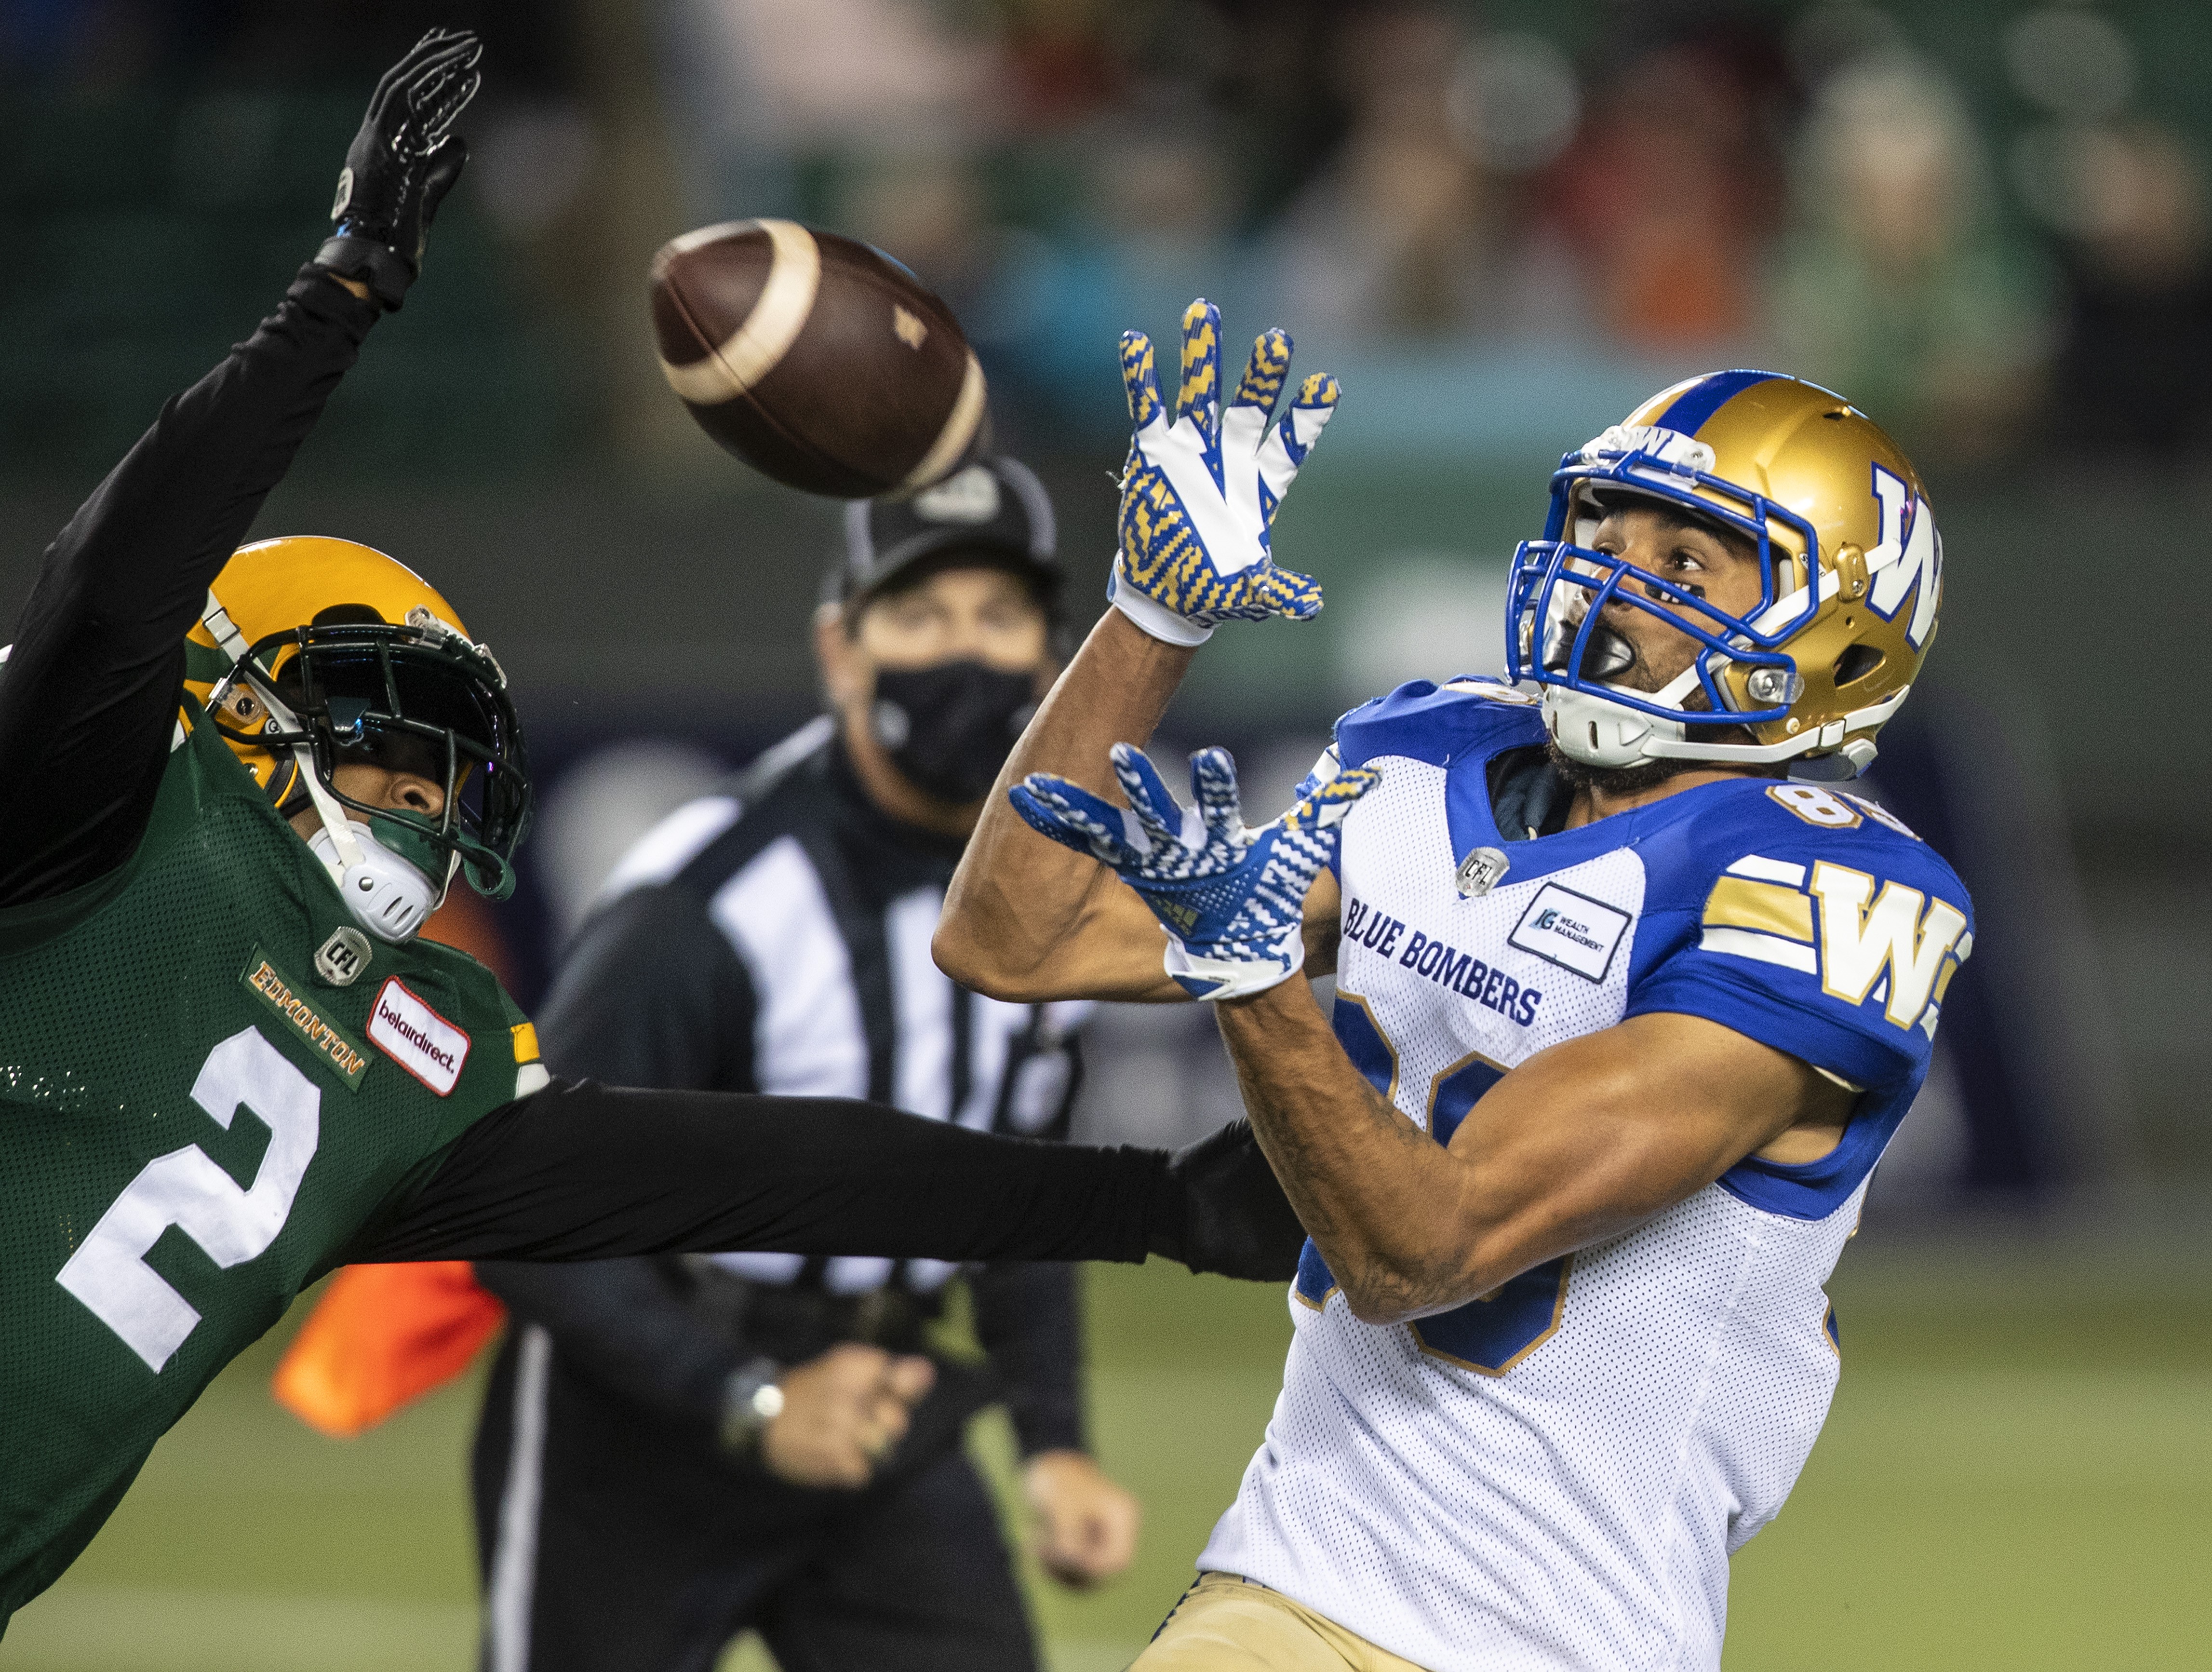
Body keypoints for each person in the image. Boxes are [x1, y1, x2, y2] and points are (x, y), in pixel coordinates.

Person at [0, 45, 1299, 1635]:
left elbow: (768, 1163)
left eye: (442, 771)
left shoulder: (419, 1062)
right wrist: (334, 297)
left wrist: (1147, 1207)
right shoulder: (80, 841)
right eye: (378, 743)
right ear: (226, 705)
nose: (417, 802)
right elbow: (117, 583)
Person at [934, 304, 1974, 1671]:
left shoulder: (1815, 888)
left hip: (1559, 1633)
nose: (1613, 576)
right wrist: (1148, 616)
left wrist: (1251, 976)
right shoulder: (1436, 751)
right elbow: (1015, 935)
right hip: (1292, 1582)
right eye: (1604, 530)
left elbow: (1421, 1248)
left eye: (1685, 557)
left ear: (1832, 637)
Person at [469, 458, 1139, 1672]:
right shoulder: (710, 899)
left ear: (1054, 661)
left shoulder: (1064, 892)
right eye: (922, 616)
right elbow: (519, 1214)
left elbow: (1018, 1187)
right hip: (633, 1425)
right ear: (842, 648)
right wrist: (750, 1398)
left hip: (885, 1408)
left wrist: (1055, 1440)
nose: (965, 655)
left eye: (999, 619)